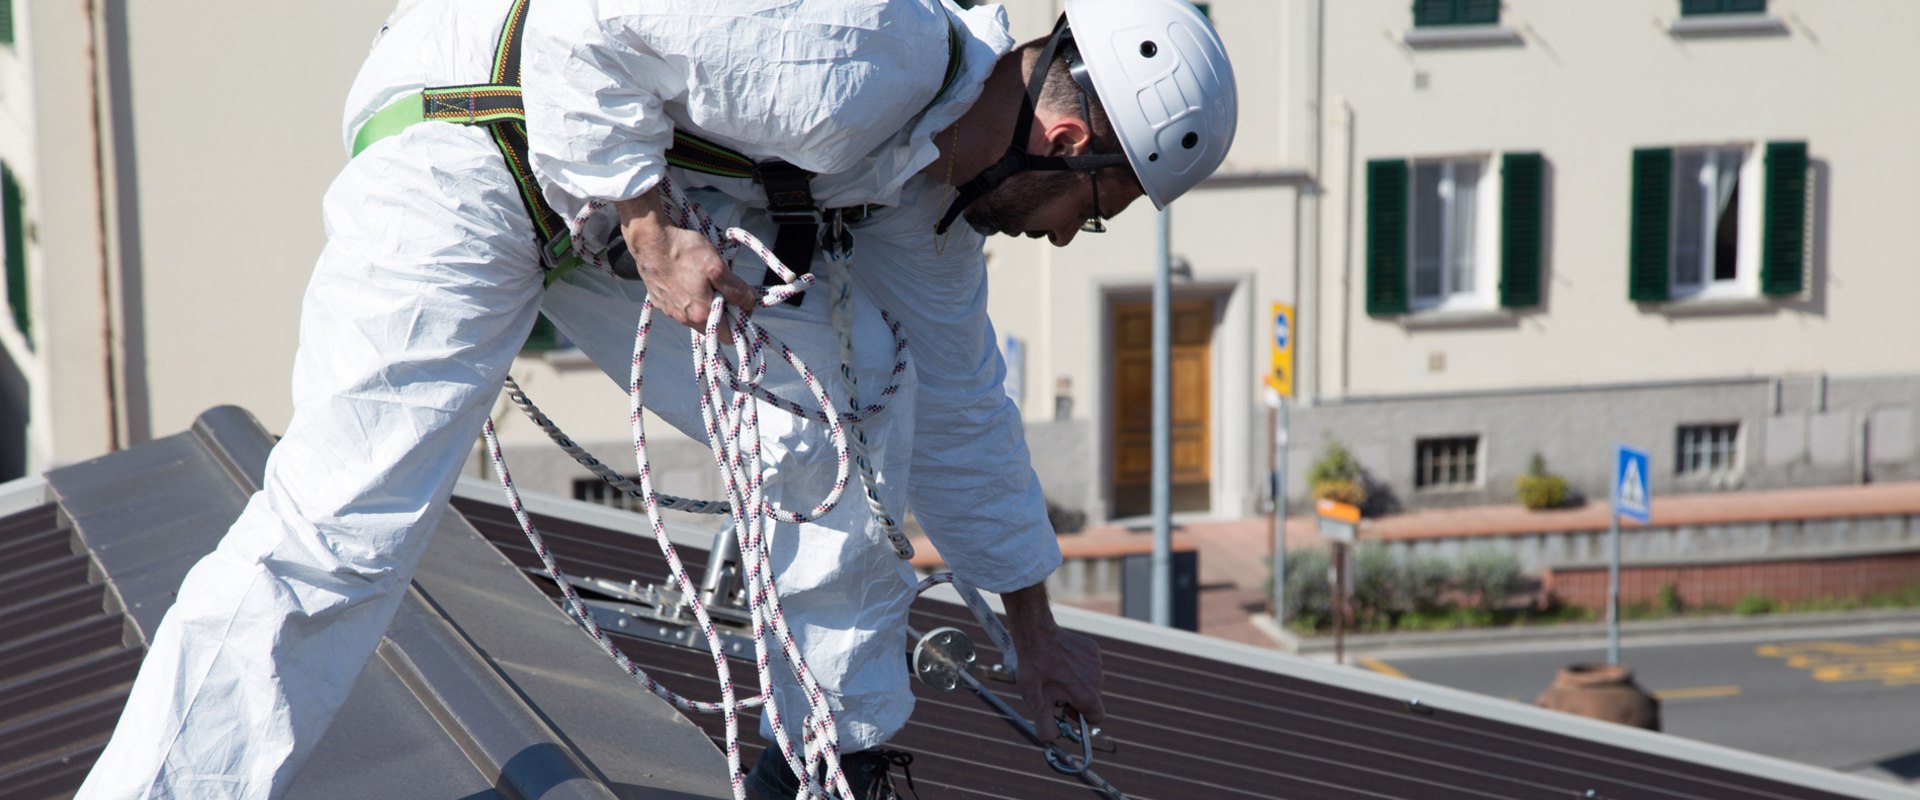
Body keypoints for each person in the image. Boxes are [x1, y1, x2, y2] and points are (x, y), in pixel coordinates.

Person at [76, 0, 1237, 798]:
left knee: (865, 387)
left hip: (602, 194)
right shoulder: (865, 46)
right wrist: (647, 225)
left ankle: (834, 757)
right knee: (339, 537)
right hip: (475, 136)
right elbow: (586, 23)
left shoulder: (921, 190)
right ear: (1066, 138)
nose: (1069, 235)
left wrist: (1036, 629)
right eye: (1095, 210)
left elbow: (967, 405)